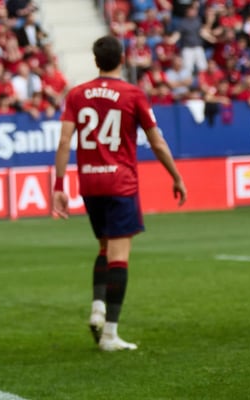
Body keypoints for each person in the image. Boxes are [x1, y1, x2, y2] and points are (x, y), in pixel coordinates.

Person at [53, 35, 187, 351]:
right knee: (119, 256)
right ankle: (110, 335)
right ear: (122, 59)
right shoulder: (133, 94)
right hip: (120, 183)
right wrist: (176, 176)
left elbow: (64, 141)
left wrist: (59, 186)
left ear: (96, 60)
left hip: (90, 183)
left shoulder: (77, 94)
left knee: (104, 247)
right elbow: (156, 141)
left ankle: (98, 308)